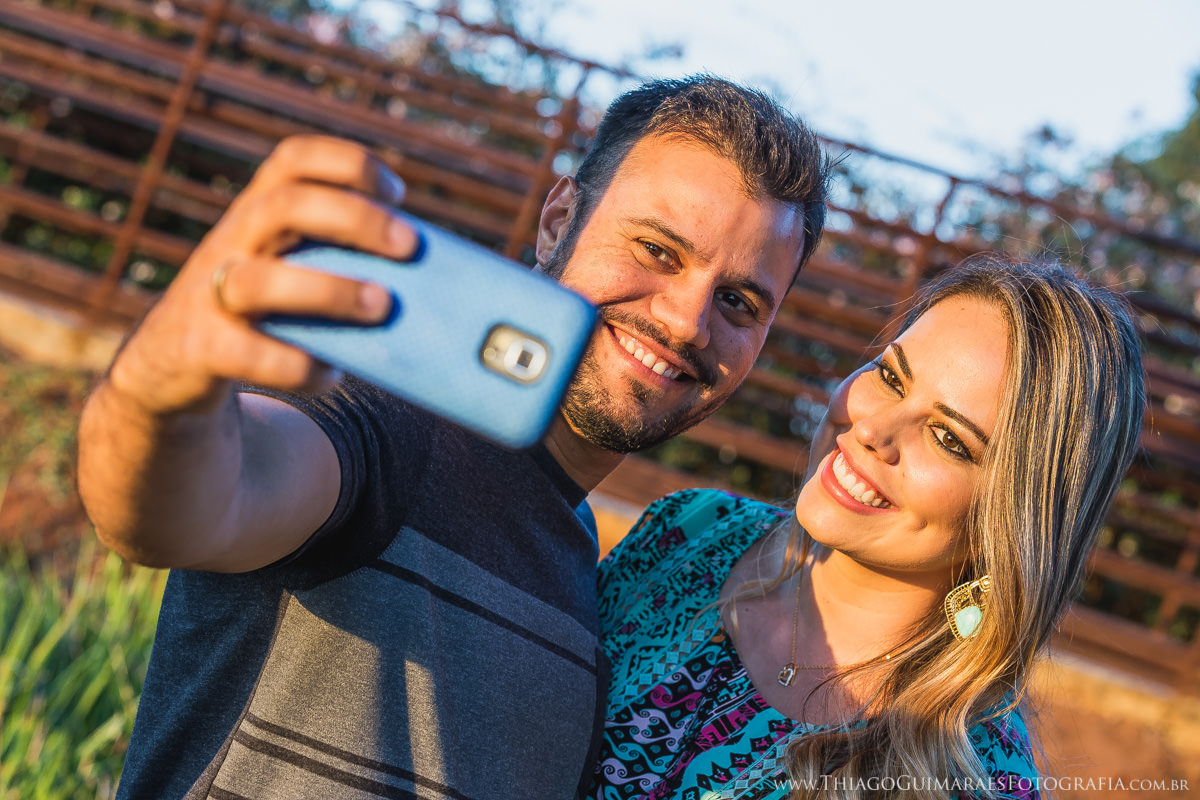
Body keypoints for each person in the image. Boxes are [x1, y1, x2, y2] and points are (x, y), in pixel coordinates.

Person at [77, 76, 832, 799]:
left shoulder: (586, 574)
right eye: (658, 252)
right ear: (558, 220)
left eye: (737, 301)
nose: (685, 321)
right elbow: (177, 507)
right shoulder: (385, 419)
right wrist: (160, 385)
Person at [590, 257, 1145, 800]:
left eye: (949, 438)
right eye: (890, 376)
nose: (873, 429)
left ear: (1016, 521)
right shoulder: (690, 529)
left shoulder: (974, 777)